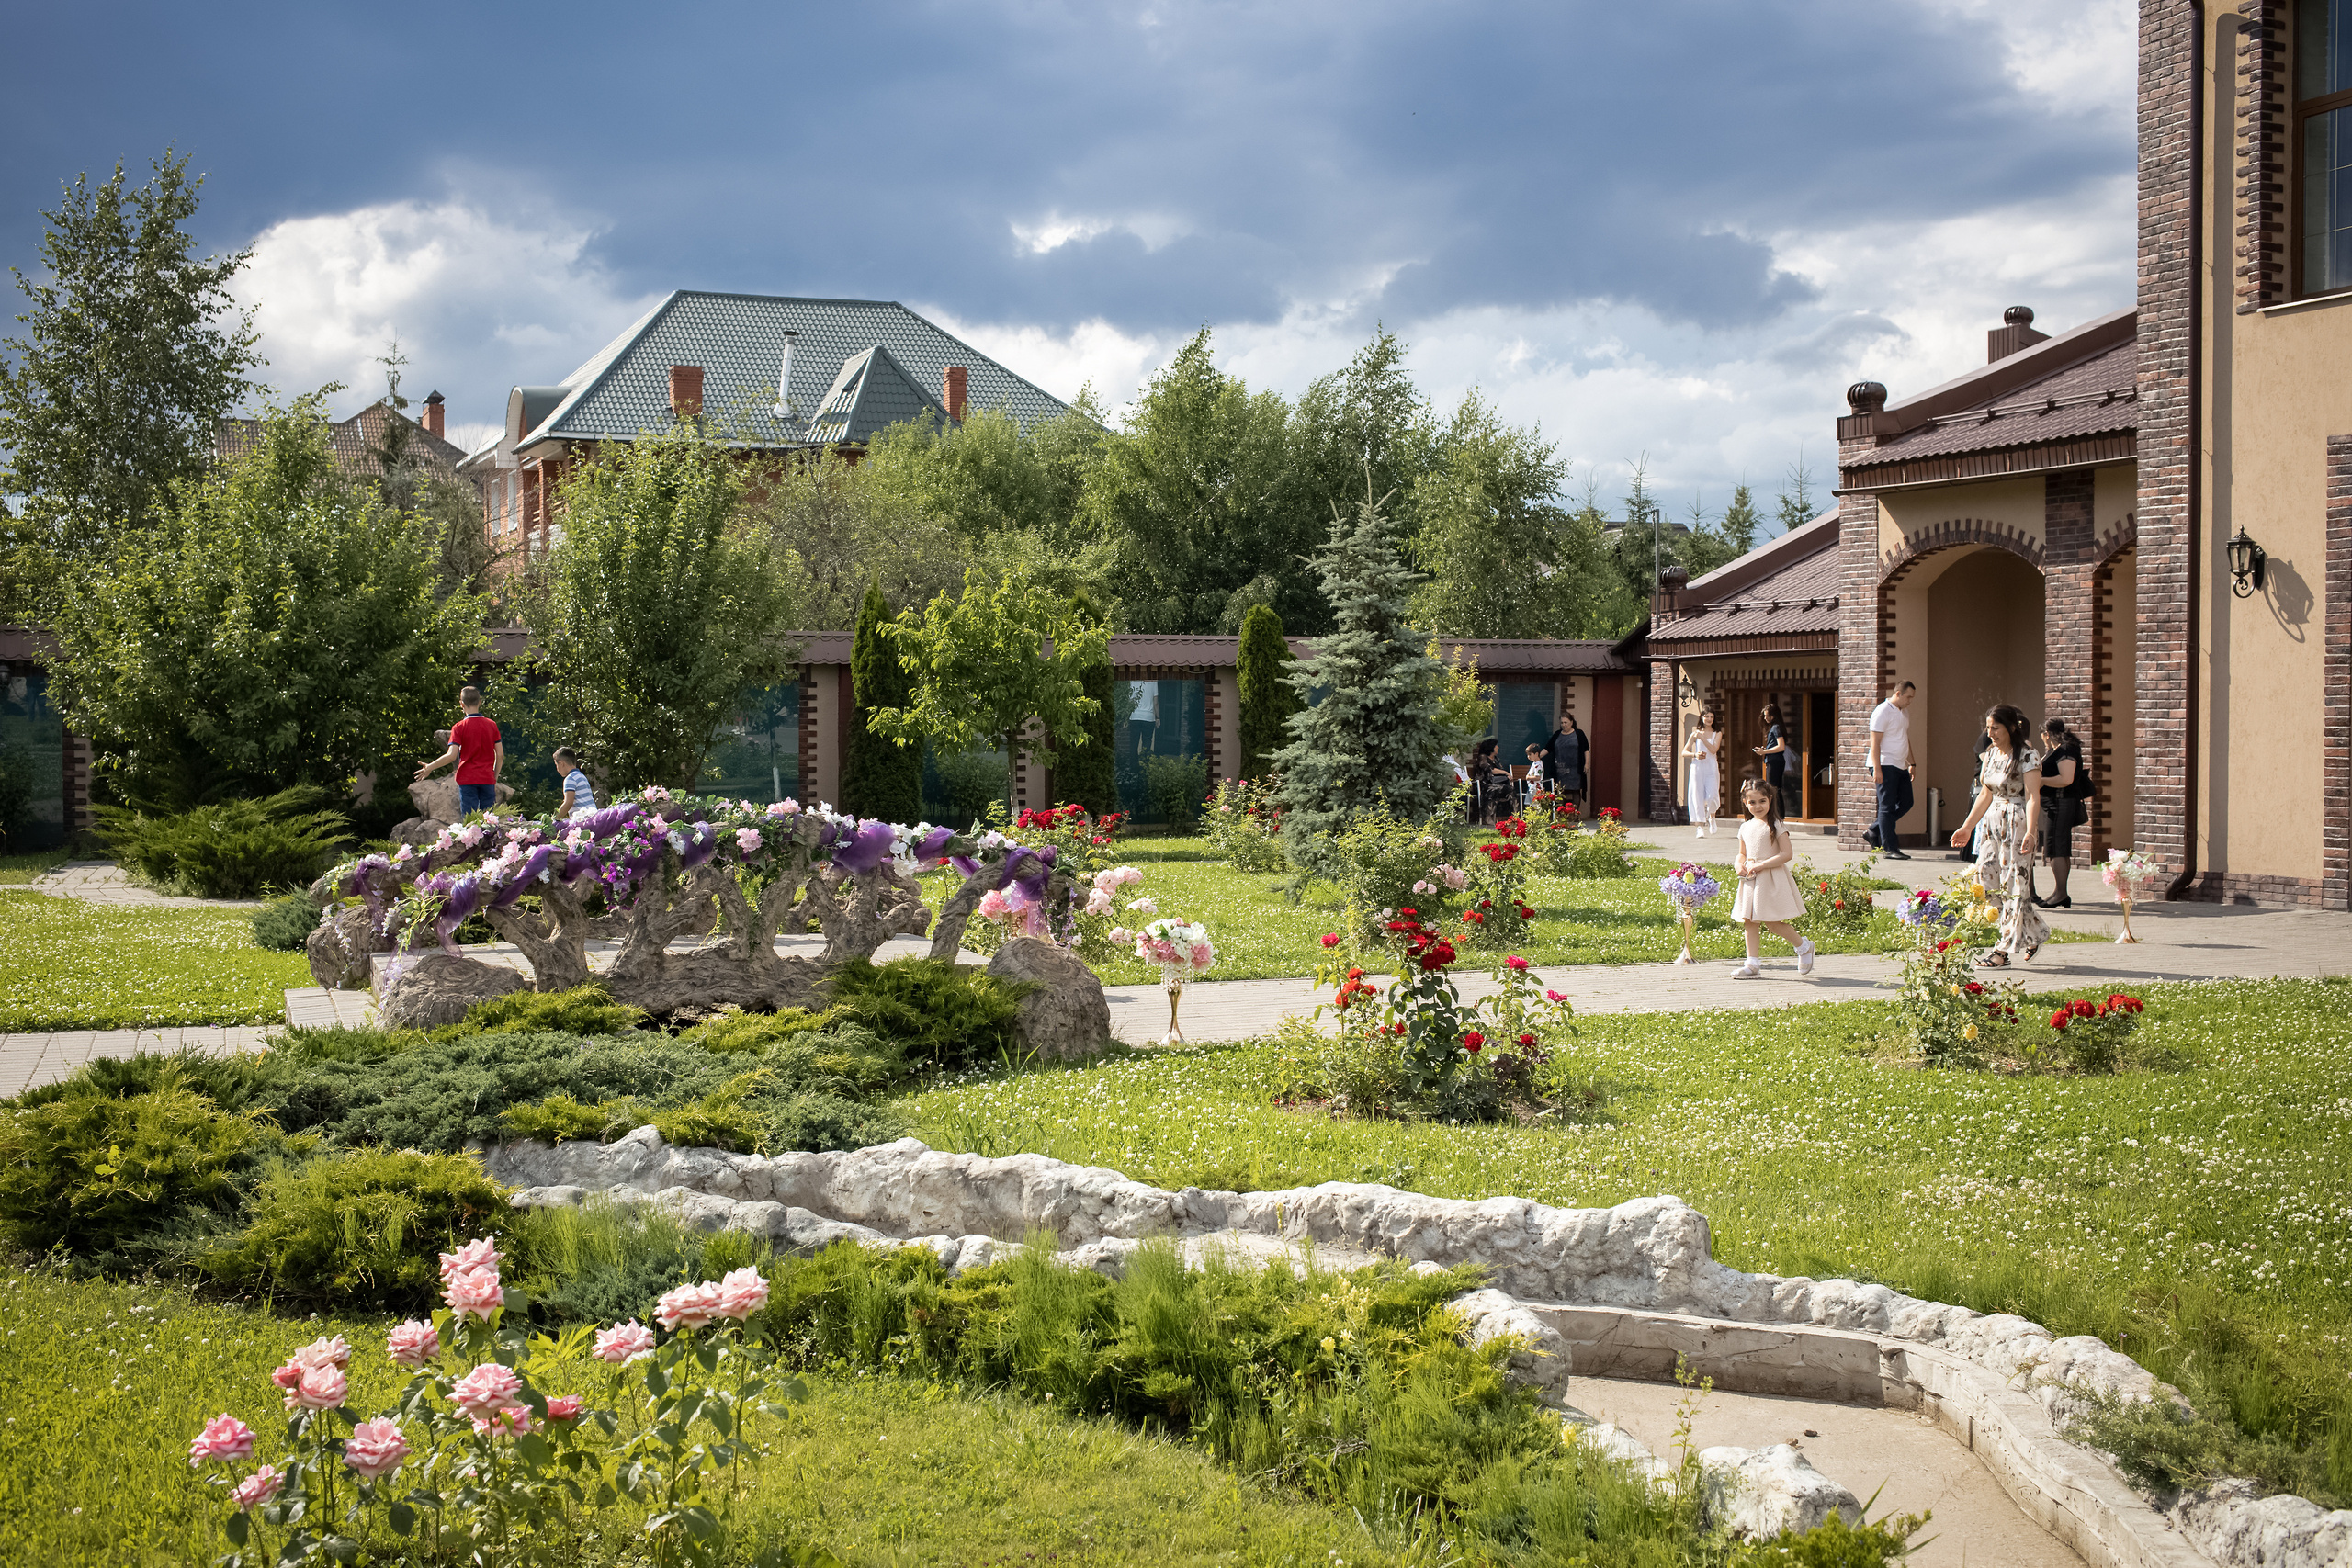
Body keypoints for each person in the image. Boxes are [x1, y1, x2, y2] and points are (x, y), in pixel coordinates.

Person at [1946, 704, 2046, 967]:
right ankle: (2034, 933)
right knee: (1987, 879)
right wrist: (1967, 827)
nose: (1990, 733)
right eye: (1988, 728)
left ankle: (2001, 951)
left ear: (2012, 728)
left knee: (2014, 885)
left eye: (1996, 728)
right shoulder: (1990, 754)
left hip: (2016, 821)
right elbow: (1984, 793)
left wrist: (2033, 832)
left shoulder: (2027, 755)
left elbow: (2034, 796)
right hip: (1991, 823)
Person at [1730, 777, 1815, 978]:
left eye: (1761, 801)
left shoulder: (1775, 825)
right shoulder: (1745, 827)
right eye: (1752, 802)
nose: (1757, 806)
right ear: (1745, 802)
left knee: (1772, 922)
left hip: (1770, 878)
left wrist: (1761, 865)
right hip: (1751, 879)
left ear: (1769, 799)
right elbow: (1742, 853)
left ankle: (1803, 947)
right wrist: (1738, 863)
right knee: (1749, 921)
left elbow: (1787, 854)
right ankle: (1752, 964)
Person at [415, 685, 503, 818]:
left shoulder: (459, 727)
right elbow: (500, 755)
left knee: (470, 823)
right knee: (489, 823)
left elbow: (451, 756)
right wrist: (494, 779)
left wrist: (430, 767)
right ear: (480, 702)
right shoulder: (492, 725)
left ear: (461, 704)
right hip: (487, 779)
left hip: (467, 779)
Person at [2034, 718, 2089, 908]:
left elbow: (2066, 779)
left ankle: (2061, 893)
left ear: (2046, 734)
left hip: (2061, 803)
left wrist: (2042, 781)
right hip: (2055, 804)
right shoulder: (2057, 750)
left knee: (2056, 848)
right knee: (2059, 848)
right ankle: (2060, 892)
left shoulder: (2066, 750)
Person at [1867, 681, 1917, 860]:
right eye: (1908, 697)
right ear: (1898, 693)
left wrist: (1912, 763)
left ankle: (1874, 830)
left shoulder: (1904, 713)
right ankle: (1890, 848)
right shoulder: (1882, 711)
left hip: (1900, 765)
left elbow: (1905, 738)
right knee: (1887, 807)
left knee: (1906, 802)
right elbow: (1875, 742)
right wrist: (1877, 768)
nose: (1910, 701)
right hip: (1885, 764)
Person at [1681, 708, 1724, 837]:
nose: (1709, 719)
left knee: (1712, 796)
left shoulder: (1717, 733)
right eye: (1706, 717)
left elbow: (1713, 749)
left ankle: (1712, 817)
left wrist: (1703, 739)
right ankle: (1699, 826)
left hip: (1711, 767)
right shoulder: (1695, 734)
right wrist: (1695, 754)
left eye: (1711, 717)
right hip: (1697, 767)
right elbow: (1684, 752)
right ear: (1702, 718)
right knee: (1697, 796)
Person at [1544, 713, 1590, 818]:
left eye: (1566, 722)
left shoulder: (1579, 734)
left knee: (1576, 790)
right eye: (1562, 723)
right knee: (1561, 791)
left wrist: (1586, 764)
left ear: (1571, 722)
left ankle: (1574, 815)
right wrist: (1537, 757)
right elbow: (1548, 748)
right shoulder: (1557, 734)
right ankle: (1561, 816)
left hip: (1576, 768)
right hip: (1560, 768)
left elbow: (1586, 749)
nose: (1563, 725)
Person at [1752, 701, 1792, 818]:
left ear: (1773, 715)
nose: (1765, 718)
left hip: (1774, 761)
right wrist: (1766, 749)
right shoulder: (1777, 727)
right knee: (1775, 789)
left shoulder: (1775, 728)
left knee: (1772, 789)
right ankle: (1778, 816)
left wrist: (1764, 752)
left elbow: (1781, 746)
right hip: (1775, 760)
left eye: (1767, 715)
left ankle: (1776, 815)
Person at [555, 747, 597, 818]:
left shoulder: (570, 778)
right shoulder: (581, 776)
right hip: (594, 817)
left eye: (556, 765)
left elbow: (568, 803)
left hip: (584, 820)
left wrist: (554, 819)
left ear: (561, 763)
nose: (557, 768)